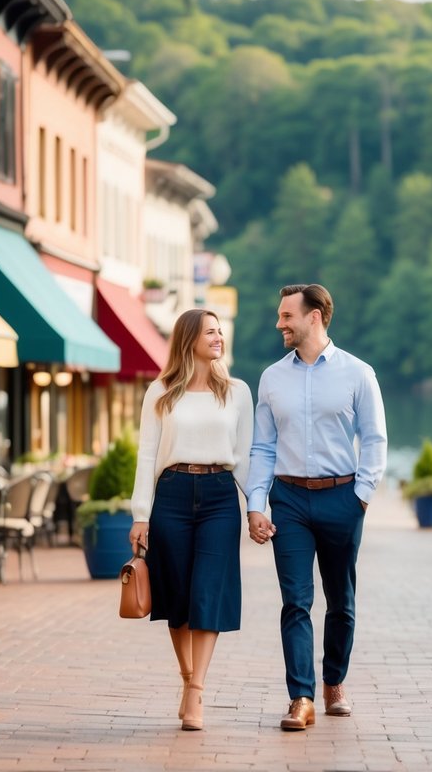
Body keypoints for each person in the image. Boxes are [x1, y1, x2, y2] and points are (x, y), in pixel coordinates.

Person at [246, 283, 387, 731]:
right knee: (296, 601)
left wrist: (360, 497)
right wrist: (255, 504)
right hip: (288, 501)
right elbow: (262, 448)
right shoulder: (271, 378)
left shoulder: (358, 373)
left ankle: (334, 683)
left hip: (342, 497)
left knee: (341, 602)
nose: (279, 324)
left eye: (286, 315)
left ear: (314, 317)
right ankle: (301, 698)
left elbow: (375, 439)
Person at [129, 309, 253, 731]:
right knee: (177, 597)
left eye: (220, 332)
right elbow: (147, 455)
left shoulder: (237, 392)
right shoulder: (160, 392)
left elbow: (245, 458)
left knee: (206, 595)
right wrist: (140, 514)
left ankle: (196, 690)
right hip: (172, 495)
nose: (219, 338)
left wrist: (258, 507)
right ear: (189, 340)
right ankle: (186, 677)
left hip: (220, 496)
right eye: (210, 332)